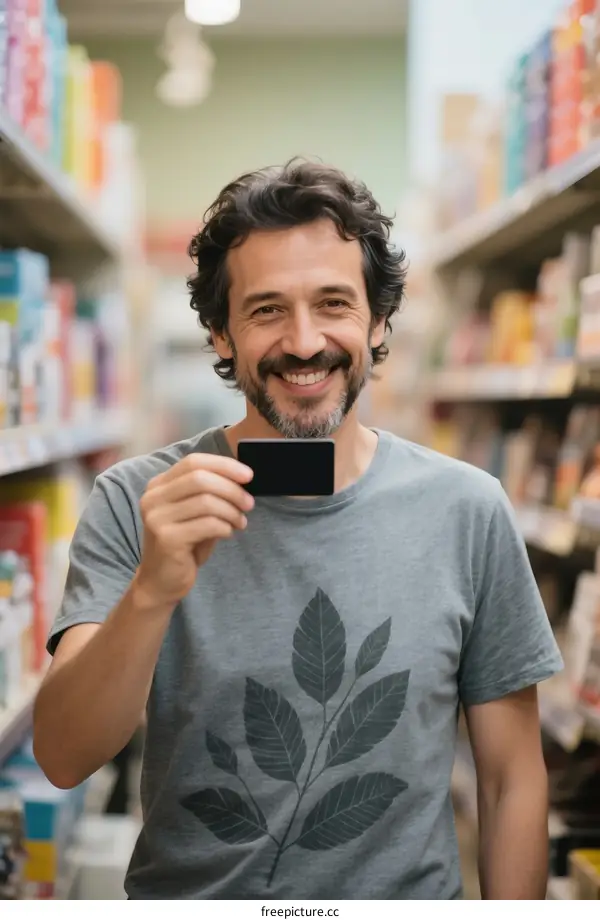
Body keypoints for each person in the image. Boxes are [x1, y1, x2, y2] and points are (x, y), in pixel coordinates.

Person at [33, 159, 563, 900]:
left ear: (378, 320)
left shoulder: (467, 509)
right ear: (221, 333)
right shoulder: (136, 501)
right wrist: (152, 590)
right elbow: (63, 758)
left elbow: (510, 780)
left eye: (334, 303)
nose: (305, 340)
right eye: (267, 310)